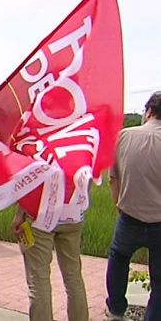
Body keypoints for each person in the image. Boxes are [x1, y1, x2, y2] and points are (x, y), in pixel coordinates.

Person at [104, 92, 161, 321]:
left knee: (118, 257)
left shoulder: (124, 136)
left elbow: (113, 178)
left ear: (148, 111)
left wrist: (118, 203)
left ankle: (116, 310)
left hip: (129, 217)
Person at [12, 187, 90, 317]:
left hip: (41, 214)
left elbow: (32, 181)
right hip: (73, 214)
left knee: (38, 279)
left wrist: (20, 213)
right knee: (73, 276)